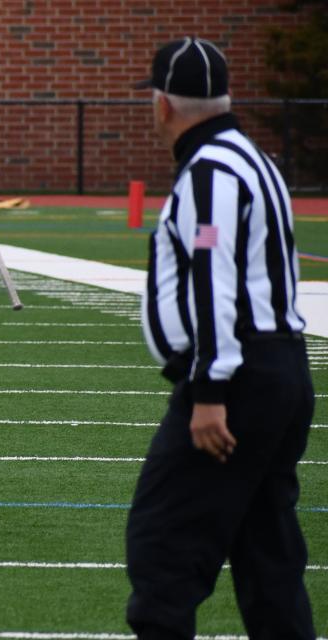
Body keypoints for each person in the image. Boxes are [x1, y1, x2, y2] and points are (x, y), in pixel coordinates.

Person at [126, 38, 315, 638]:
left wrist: (209, 388)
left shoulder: (209, 172)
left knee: (163, 545)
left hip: (236, 379)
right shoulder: (255, 160)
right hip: (280, 368)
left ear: (163, 105)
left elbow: (214, 276)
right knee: (268, 556)